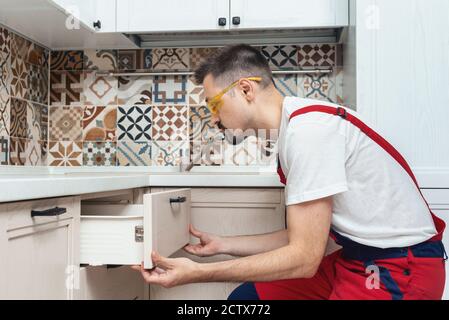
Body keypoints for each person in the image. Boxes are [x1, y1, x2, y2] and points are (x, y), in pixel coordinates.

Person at [132, 44, 447, 300]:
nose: (214, 118)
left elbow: (304, 259)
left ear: (245, 89)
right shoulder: (294, 129)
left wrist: (197, 273)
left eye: (214, 105)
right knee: (246, 300)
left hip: (399, 269)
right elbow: (308, 238)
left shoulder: (308, 132)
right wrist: (224, 244)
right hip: (356, 259)